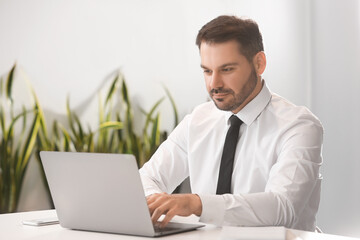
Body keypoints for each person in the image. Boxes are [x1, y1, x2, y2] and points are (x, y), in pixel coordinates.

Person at [139, 15, 323, 231]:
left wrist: (197, 204)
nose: (214, 83)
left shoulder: (299, 126)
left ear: (259, 63)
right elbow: (147, 178)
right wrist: (158, 204)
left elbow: (282, 208)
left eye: (226, 70)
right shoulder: (197, 120)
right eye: (207, 71)